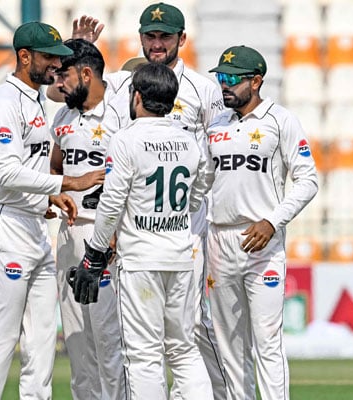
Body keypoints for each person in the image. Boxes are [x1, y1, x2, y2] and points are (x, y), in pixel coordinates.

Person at [0, 22, 104, 400]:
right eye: (48, 58)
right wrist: (67, 184)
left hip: (33, 228)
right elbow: (8, 172)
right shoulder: (5, 103)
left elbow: (93, 85)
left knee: (42, 343)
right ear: (24, 57)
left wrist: (47, 200)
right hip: (3, 225)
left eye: (59, 60)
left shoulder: (37, 99)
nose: (55, 67)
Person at [72, 61, 213, 400]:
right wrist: (176, 213)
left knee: (144, 355)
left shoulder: (127, 139)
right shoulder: (190, 140)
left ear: (136, 97)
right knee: (184, 349)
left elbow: (111, 204)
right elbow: (202, 186)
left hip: (140, 261)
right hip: (180, 256)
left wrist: (93, 255)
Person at [204, 45, 318, 400]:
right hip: (219, 239)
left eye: (232, 79)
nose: (224, 86)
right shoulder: (215, 123)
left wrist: (272, 220)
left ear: (256, 81)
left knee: (267, 341)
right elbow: (204, 184)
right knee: (229, 345)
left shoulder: (280, 120)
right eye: (221, 77)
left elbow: (308, 180)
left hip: (262, 242)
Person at [133, 4, 228, 399]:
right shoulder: (130, 84)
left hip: (190, 228)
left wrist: (196, 209)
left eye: (165, 37)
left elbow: (216, 157)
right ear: (141, 38)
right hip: (142, 228)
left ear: (181, 39)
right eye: (151, 36)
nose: (157, 44)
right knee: (145, 336)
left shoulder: (204, 90)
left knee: (191, 328)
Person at [50, 38, 129, 400]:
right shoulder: (62, 116)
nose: (57, 81)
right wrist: (53, 192)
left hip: (107, 238)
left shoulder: (122, 112)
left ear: (86, 73)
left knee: (109, 341)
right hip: (69, 236)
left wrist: (112, 235)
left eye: (63, 75)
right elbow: (54, 167)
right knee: (78, 341)